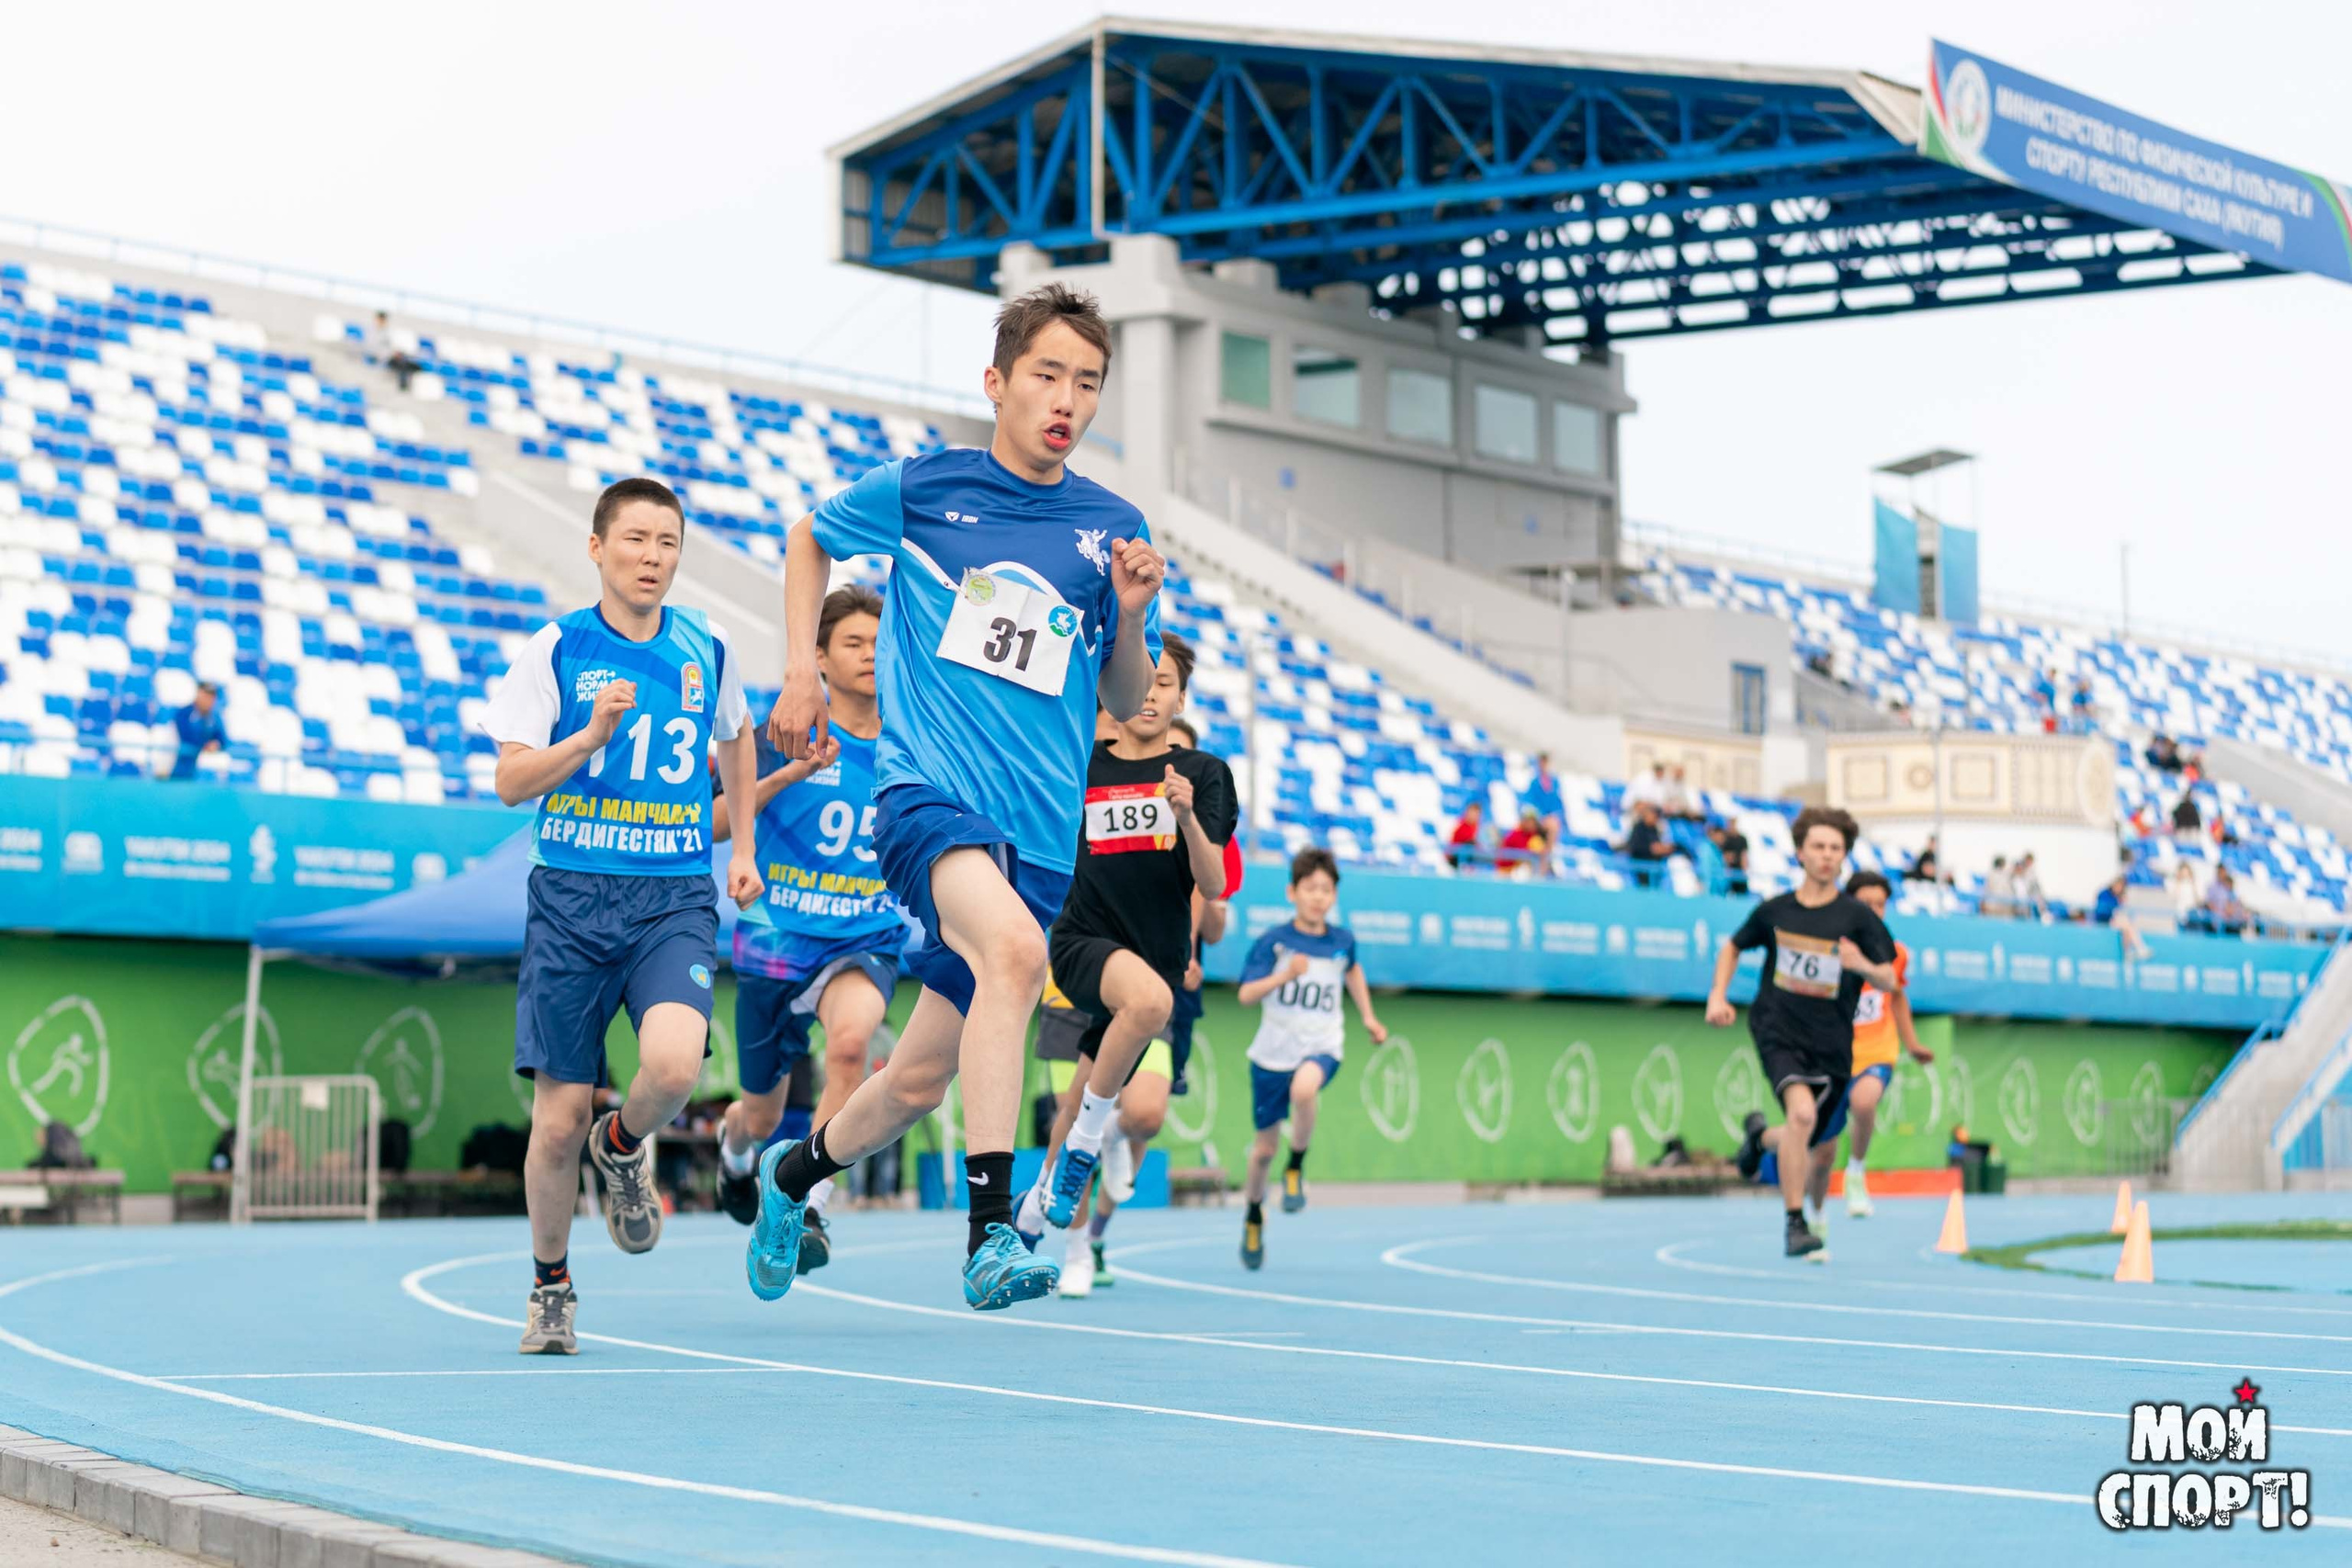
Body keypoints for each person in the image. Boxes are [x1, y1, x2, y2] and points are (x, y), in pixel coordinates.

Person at [752, 283, 1166, 1311]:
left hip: (1035, 837)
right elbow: (807, 535)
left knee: (919, 1078)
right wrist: (802, 670)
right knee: (1019, 957)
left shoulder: (1111, 528)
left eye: (1087, 384)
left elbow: (1122, 696)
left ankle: (789, 1178)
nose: (1066, 399)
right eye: (1046, 376)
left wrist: (1127, 611)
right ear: (997, 384)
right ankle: (991, 1234)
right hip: (928, 796)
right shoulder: (925, 488)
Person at [480, 477, 763, 1355]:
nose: (652, 557)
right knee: (554, 1121)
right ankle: (551, 1284)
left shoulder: (706, 644)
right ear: (598, 548)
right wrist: (585, 741)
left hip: (672, 892)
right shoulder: (556, 648)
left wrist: (743, 844)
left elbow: (737, 736)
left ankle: (626, 1141)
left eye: (668, 542)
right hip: (570, 896)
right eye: (636, 540)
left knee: (675, 1068)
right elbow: (509, 784)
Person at [1014, 634, 1236, 1287]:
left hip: (1157, 955)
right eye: (1140, 680)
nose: (1150, 693)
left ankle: (1033, 1208)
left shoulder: (1204, 773)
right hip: (1083, 941)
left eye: (1164, 683)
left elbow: (1215, 883)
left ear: (1180, 696)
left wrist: (1187, 818)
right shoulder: (1079, 763)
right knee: (1147, 1004)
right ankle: (1087, 1147)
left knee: (1095, 1083)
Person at [709, 586, 905, 1280]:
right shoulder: (782, 730)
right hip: (777, 938)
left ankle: (809, 1197)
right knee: (759, 1116)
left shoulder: (914, 744)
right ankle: (735, 1156)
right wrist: (791, 770)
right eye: (853, 643)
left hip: (864, 934)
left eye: (879, 643)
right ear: (817, 657)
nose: (869, 656)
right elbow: (713, 823)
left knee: (852, 1046)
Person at [1703, 806, 1900, 1259]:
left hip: (1832, 1044)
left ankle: (1758, 1138)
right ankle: (1796, 1223)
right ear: (1800, 853)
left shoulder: (1857, 918)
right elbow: (1732, 947)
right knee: (1803, 1117)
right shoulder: (1776, 911)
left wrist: (1862, 965)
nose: (1827, 856)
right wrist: (1718, 995)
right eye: (1818, 847)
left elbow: (1890, 978)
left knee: (1807, 1136)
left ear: (1843, 857)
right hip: (1778, 1030)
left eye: (1836, 849)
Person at [1234, 848, 1385, 1269]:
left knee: (1306, 1088)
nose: (1318, 897)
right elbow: (1246, 995)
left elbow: (1352, 971)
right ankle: (1253, 1212)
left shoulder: (1342, 941)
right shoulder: (1274, 942)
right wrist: (1284, 974)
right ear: (1292, 892)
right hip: (1271, 1055)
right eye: (1310, 889)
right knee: (1263, 1151)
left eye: (1326, 889)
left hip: (1322, 1044)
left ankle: (1297, 1166)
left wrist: (1369, 1018)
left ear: (1334, 895)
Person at [1838, 872, 1933, 1218]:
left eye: (1881, 904)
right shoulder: (1832, 948)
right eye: (1866, 904)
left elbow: (1897, 998)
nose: (1875, 910)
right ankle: (1762, 1143)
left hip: (1877, 1049)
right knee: (1815, 1142)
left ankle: (1856, 1171)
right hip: (1834, 1052)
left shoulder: (1896, 952)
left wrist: (1912, 1043)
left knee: (1864, 1104)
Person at [168, 681, 227, 779]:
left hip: (201, 771)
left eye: (211, 697)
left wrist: (216, 744)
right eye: (206, 695)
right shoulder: (184, 714)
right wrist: (207, 745)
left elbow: (222, 739)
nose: (208, 700)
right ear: (198, 694)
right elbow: (187, 737)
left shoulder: (214, 718)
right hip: (179, 766)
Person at [2092, 874, 2154, 961]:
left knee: (2127, 926)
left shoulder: (2119, 897)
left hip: (2115, 920)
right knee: (2125, 923)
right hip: (2103, 921)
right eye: (2118, 885)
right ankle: (2138, 948)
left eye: (2121, 886)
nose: (2119, 887)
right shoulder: (2104, 893)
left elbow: (2121, 911)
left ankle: (2131, 951)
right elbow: (2102, 910)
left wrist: (2122, 902)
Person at [1620, 799, 1677, 889]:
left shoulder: (1654, 830)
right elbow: (1634, 847)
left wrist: (1664, 849)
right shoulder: (1639, 828)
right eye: (1654, 815)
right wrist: (1651, 849)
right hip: (1641, 867)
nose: (1656, 818)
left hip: (1654, 867)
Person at [1498, 807, 1550, 878]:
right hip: (1507, 872)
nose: (1530, 824)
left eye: (1532, 821)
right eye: (1528, 820)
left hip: (1522, 873)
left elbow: (1541, 853)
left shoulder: (1535, 837)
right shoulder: (1514, 835)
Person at [1709, 818, 1749, 896]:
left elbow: (1744, 856)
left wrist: (1744, 868)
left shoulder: (1742, 839)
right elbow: (1721, 855)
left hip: (1739, 872)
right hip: (1727, 872)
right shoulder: (1725, 838)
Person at [1446, 801, 1487, 871]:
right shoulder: (1461, 827)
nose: (1474, 816)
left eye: (1477, 814)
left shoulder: (1479, 828)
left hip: (1472, 860)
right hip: (1457, 859)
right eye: (1472, 813)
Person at [1978, 854, 2017, 919]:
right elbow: (1985, 891)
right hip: (1992, 908)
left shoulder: (2007, 875)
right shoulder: (1991, 875)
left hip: (2004, 908)